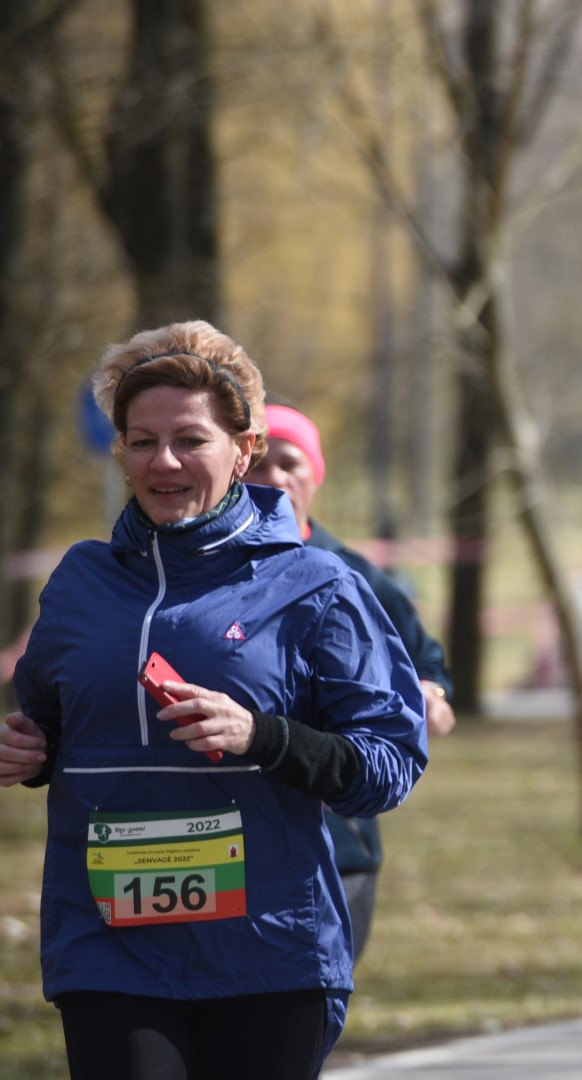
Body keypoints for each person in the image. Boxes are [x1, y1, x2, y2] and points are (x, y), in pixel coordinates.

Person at [0, 322, 428, 1080]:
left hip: (268, 947)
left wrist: (263, 736)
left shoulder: (316, 586)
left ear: (244, 449)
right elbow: (50, 728)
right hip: (110, 942)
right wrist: (27, 752)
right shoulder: (80, 583)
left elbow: (388, 764)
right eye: (142, 441)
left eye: (191, 440)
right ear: (120, 452)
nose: (163, 461)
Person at [246, 403, 455, 962]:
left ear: (315, 476)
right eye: (259, 463)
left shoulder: (352, 573)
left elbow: (426, 660)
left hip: (341, 845)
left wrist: (431, 695)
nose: (274, 478)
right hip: (236, 839)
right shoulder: (207, 570)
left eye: (290, 463)